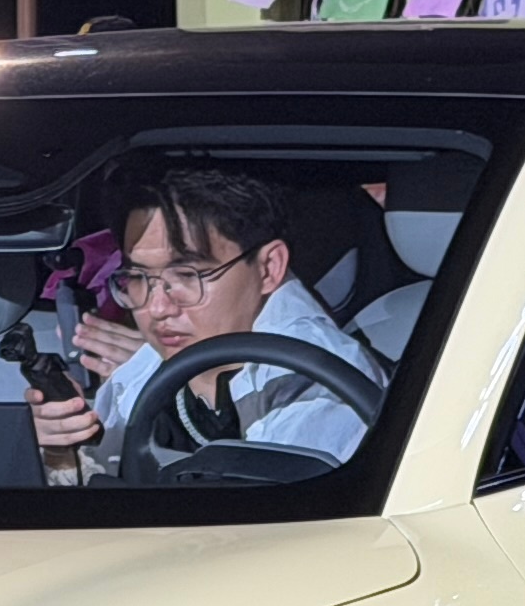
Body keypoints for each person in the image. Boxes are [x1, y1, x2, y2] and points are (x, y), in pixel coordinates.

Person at [37, 168, 380, 476]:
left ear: (269, 268)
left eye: (188, 275)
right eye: (138, 277)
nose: (158, 308)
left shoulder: (320, 380)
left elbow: (266, 519)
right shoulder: (144, 368)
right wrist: (60, 450)